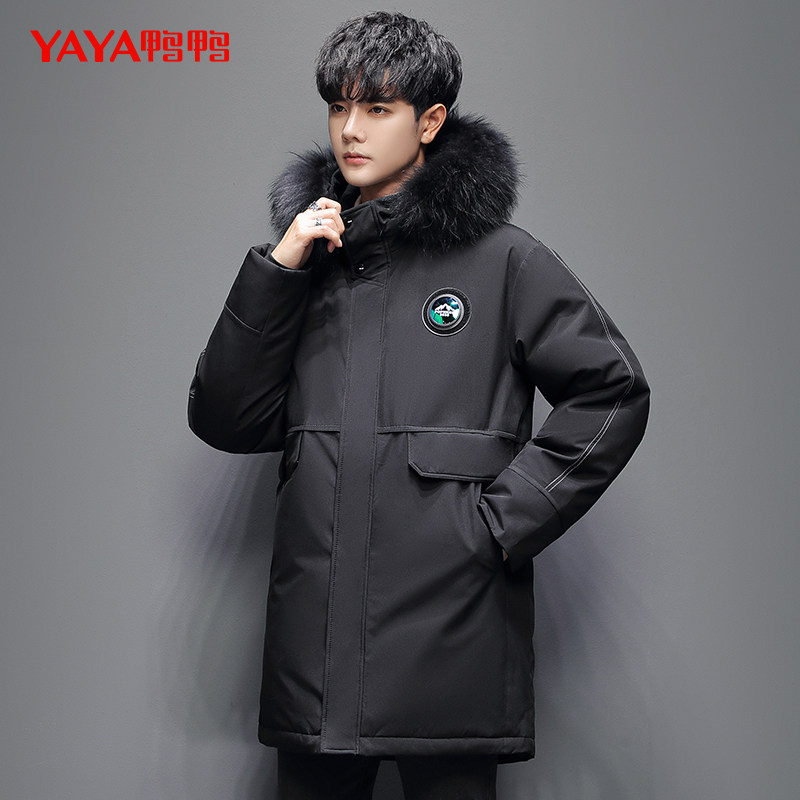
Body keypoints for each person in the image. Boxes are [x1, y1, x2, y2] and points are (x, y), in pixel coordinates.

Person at [188, 11, 650, 800]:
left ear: (430, 121)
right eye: (339, 106)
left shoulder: (504, 261)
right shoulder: (309, 263)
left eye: (377, 107)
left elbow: (612, 390)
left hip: (453, 631)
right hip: (316, 651)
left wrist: (498, 525)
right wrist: (279, 268)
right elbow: (227, 419)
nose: (350, 130)